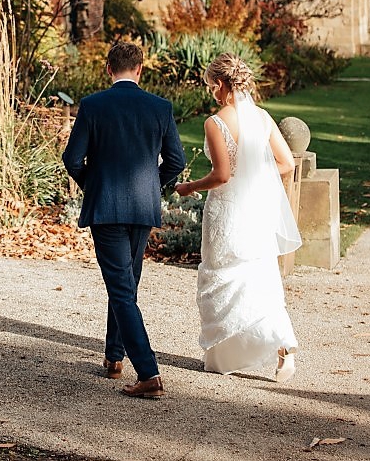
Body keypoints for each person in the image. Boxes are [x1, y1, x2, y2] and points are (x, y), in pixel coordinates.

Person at [62, 41, 186, 398]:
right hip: (142, 209)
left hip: (108, 209)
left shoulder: (93, 105)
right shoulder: (159, 107)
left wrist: (95, 186)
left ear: (108, 68)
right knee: (126, 285)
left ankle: (149, 373)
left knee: (120, 288)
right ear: (140, 69)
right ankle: (114, 356)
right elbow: (175, 162)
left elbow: (73, 159)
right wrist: (152, 187)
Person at [174, 53, 302, 382]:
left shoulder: (216, 122)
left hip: (227, 211)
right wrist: (259, 180)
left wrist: (190, 186)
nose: (209, 93)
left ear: (220, 85)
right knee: (259, 277)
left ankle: (224, 354)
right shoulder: (261, 117)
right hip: (256, 212)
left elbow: (221, 175)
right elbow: (287, 163)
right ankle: (283, 347)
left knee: (223, 277)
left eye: (209, 87)